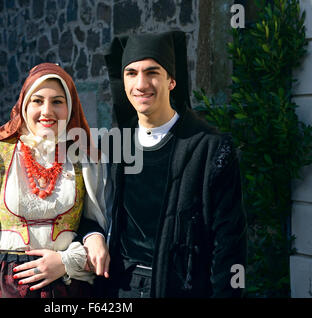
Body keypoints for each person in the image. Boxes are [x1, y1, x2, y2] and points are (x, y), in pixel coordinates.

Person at [0, 63, 110, 298]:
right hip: (5, 286)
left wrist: (67, 260)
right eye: (37, 101)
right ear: (24, 105)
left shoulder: (85, 162)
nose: (47, 111)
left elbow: (96, 224)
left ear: (70, 107)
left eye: (57, 101)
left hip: (68, 287)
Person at [100, 31, 247, 298]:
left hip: (178, 289)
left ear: (171, 81)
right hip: (120, 289)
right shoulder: (115, 144)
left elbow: (228, 244)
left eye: (152, 72)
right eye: (131, 73)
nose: (141, 83)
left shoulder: (209, 148)